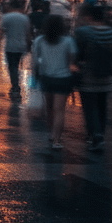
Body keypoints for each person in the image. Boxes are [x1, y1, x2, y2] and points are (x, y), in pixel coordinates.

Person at [74, 3, 112, 151]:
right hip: (107, 75)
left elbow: (76, 54)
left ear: (88, 16)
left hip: (88, 75)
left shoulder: (82, 32)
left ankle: (95, 134)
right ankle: (100, 132)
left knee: (89, 106)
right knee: (102, 104)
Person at [32, 14, 77, 150]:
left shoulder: (39, 40)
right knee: (59, 111)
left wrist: (35, 78)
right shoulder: (68, 41)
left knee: (49, 109)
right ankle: (57, 139)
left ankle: (52, 133)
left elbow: (35, 61)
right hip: (63, 79)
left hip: (46, 78)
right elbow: (72, 61)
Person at [0, 0, 32, 99]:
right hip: (21, 46)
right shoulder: (25, 18)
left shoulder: (6, 17)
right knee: (16, 65)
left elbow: (1, 32)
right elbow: (28, 34)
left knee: (12, 67)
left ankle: (15, 86)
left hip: (10, 46)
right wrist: (28, 45)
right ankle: (15, 84)